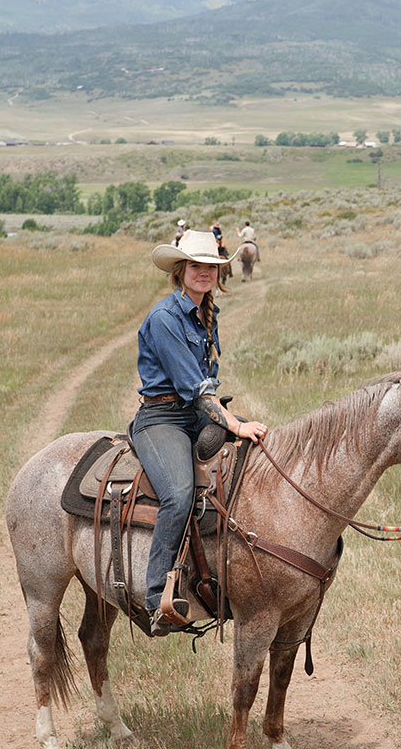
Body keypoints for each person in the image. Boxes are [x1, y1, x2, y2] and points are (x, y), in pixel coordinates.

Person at [134, 230, 268, 635]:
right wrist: (235, 424)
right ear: (181, 271)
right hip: (163, 420)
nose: (204, 273)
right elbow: (195, 389)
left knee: (258, 459)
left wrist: (230, 424)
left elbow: (207, 384)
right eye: (196, 266)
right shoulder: (165, 318)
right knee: (178, 494)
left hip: (196, 416)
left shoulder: (207, 314)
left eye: (210, 267)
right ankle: (156, 598)